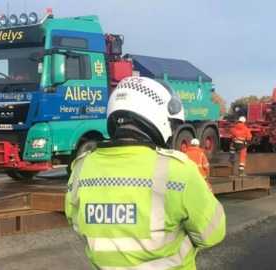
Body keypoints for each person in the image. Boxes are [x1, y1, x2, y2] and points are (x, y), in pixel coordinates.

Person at [65, 77, 226, 270]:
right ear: (157, 115)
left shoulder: (82, 167)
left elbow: (76, 223)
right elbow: (213, 233)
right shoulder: (178, 170)